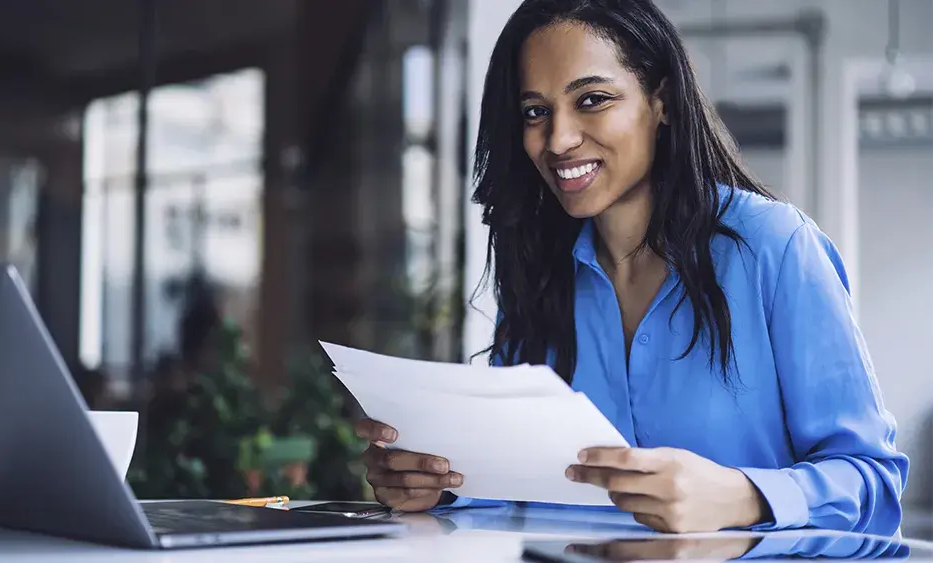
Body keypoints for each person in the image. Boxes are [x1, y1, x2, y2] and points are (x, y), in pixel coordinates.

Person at [354, 0, 908, 535]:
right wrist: (438, 482)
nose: (559, 139)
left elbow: (873, 485)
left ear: (660, 99)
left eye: (592, 99)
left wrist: (740, 496)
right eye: (534, 112)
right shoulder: (541, 270)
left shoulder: (774, 247)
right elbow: (527, 479)